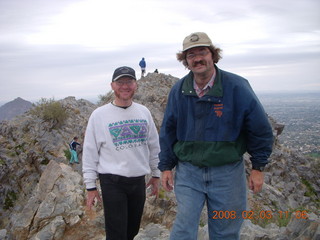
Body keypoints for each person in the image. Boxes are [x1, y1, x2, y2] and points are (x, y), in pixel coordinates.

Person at [158, 32, 274, 240]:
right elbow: (168, 130)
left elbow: (259, 128)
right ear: (185, 61)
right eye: (191, 55)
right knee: (183, 227)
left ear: (213, 54)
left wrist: (258, 167)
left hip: (227, 173)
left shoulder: (236, 86)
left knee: (226, 231)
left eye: (202, 52)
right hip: (188, 172)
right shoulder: (179, 90)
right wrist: (166, 166)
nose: (197, 58)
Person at [82, 66, 160, 240]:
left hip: (138, 181)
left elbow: (154, 146)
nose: (125, 86)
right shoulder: (99, 115)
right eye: (120, 82)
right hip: (112, 182)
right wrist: (90, 186)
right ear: (112, 85)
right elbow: (89, 152)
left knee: (132, 231)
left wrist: (156, 174)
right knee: (116, 234)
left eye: (129, 81)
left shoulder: (144, 112)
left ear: (136, 85)